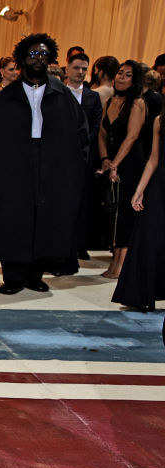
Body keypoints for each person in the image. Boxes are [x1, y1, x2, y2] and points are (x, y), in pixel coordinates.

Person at [0, 33, 89, 295]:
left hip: (51, 166)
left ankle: (35, 274)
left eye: (43, 54)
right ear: (21, 59)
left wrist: (74, 168)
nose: (38, 59)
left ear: (50, 59)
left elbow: (80, 135)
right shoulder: (7, 98)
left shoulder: (62, 95)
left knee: (46, 219)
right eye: (33, 54)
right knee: (13, 218)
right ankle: (13, 277)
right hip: (14, 167)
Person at [98, 60, 147, 279]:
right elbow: (101, 134)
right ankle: (113, 260)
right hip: (111, 161)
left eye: (127, 75)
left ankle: (121, 264)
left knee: (125, 213)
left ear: (135, 80)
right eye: (119, 73)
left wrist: (116, 163)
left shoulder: (138, 103)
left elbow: (132, 137)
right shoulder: (109, 101)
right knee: (112, 211)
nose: (121, 77)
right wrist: (105, 159)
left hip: (130, 164)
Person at [113, 114, 164, 311]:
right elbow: (153, 159)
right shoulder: (160, 120)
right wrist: (139, 190)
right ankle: (142, 294)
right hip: (159, 186)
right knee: (151, 239)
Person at [59, 52, 103, 274]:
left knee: (81, 203)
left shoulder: (92, 97)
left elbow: (95, 127)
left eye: (84, 69)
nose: (80, 72)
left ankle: (78, 246)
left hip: (83, 157)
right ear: (67, 69)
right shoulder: (56, 92)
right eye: (76, 68)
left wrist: (81, 147)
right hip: (58, 158)